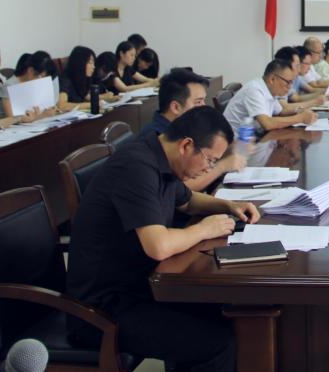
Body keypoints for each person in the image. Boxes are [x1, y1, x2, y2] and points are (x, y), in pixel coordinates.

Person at [66, 107, 260, 371]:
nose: (209, 168)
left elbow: (187, 201)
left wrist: (228, 206)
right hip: (101, 309)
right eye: (210, 160)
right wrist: (205, 229)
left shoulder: (159, 156)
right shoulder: (136, 167)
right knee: (216, 343)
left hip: (139, 287)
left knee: (228, 315)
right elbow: (158, 246)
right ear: (186, 146)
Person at [137, 69, 246, 191]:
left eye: (204, 100)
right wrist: (222, 166)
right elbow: (180, 189)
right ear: (176, 107)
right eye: (198, 102)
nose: (204, 106)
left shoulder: (183, 130)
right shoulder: (158, 139)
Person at [224, 59, 317, 135]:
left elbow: (281, 111)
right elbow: (267, 123)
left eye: (291, 82)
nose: (290, 87)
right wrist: (300, 118)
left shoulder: (270, 90)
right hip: (237, 143)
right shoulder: (254, 90)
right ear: (272, 79)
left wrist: (300, 111)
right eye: (288, 82)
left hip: (253, 138)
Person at [0, 51, 58, 121]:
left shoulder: (34, 84)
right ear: (30, 71)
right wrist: (40, 116)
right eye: (40, 76)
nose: (41, 80)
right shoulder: (9, 86)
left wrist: (50, 110)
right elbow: (11, 118)